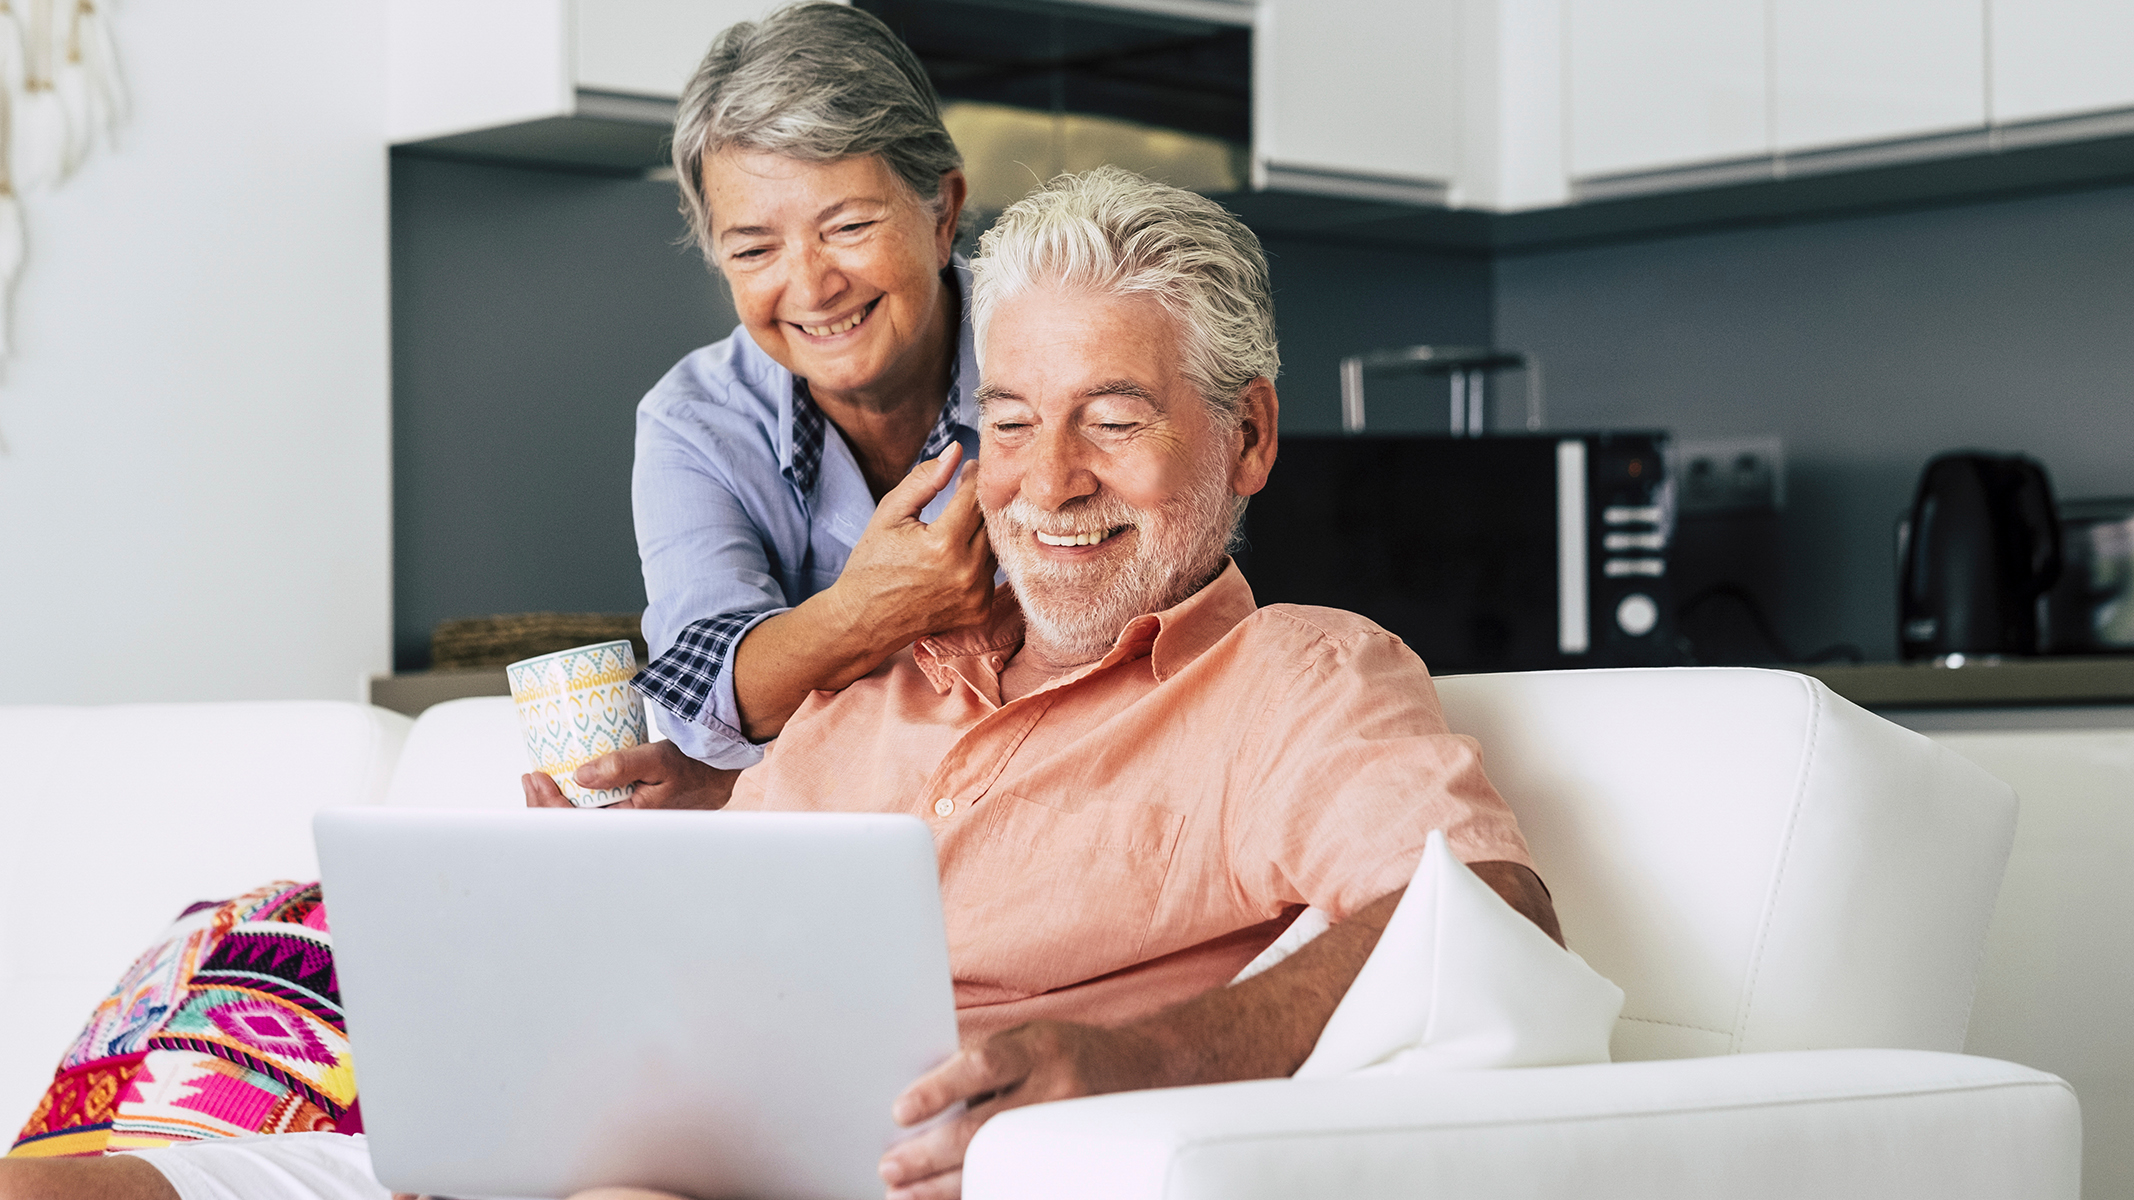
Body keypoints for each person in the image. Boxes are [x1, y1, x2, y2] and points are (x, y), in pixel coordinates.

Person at [0, 169, 1561, 1200]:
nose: (1048, 481)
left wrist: (1118, 1064)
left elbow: (1484, 918)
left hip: (840, 1174)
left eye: (1115, 419)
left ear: (1251, 438)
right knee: (63, 1182)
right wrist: (621, 848)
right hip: (594, 1129)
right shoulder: (877, 674)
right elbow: (725, 927)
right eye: (1008, 422)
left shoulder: (1297, 677)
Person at [574, 1, 997, 811]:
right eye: (756, 249)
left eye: (847, 225)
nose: (809, 286)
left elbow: (1113, 679)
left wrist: (764, 763)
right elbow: (702, 700)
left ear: (941, 212)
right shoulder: (695, 419)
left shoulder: (1057, 362)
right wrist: (865, 614)